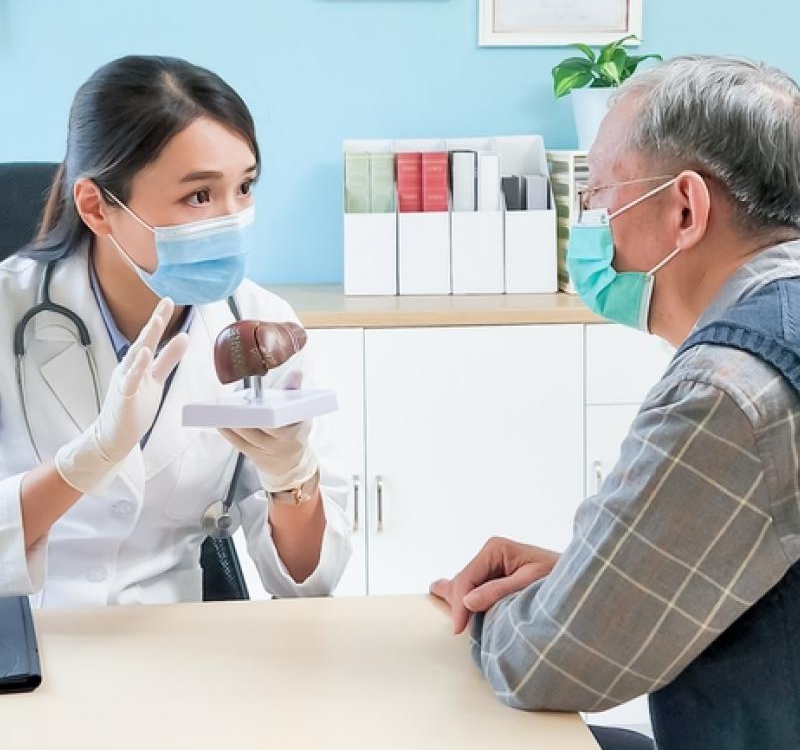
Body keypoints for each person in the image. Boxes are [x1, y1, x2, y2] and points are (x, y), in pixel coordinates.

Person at [431, 56, 800, 750]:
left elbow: (547, 661)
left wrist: (509, 607)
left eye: (600, 196)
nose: (591, 229)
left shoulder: (727, 388)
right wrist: (587, 578)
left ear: (685, 210)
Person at [0, 55, 352, 608]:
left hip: (173, 642)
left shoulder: (260, 325)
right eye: (199, 196)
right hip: (23, 636)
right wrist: (86, 460)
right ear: (96, 206)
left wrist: (291, 476)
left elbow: (308, 578)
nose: (232, 217)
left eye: (245, 187)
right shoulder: (7, 311)